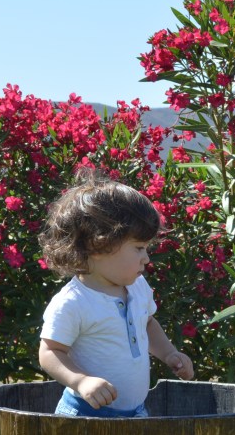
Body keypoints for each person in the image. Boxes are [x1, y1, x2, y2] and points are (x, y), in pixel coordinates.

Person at [38, 169, 194, 417]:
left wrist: (169, 353)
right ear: (99, 245)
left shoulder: (138, 287)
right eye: (139, 248)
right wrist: (81, 381)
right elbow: (49, 353)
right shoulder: (74, 302)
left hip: (136, 412)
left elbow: (147, 323)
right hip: (85, 415)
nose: (146, 258)